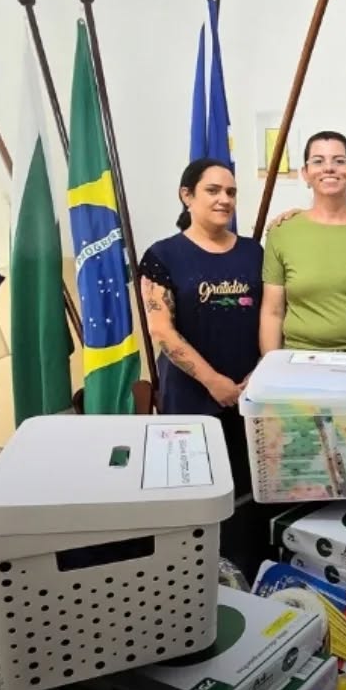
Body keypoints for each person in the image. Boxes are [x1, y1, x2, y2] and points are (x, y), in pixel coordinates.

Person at [140, 158, 262, 493]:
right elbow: (161, 330)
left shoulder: (254, 252)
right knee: (194, 492)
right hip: (190, 396)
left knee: (247, 494)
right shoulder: (162, 256)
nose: (224, 199)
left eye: (231, 192)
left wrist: (259, 375)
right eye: (213, 190)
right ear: (187, 195)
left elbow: (271, 316)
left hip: (249, 394)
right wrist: (213, 382)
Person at [260, 131, 346, 353]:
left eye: (339, 161)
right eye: (318, 161)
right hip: (303, 358)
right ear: (305, 173)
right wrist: (271, 366)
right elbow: (272, 312)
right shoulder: (282, 232)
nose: (329, 168)